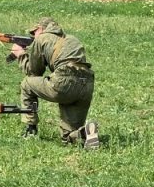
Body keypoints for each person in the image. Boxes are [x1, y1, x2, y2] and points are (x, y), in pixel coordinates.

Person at [10, 17, 99, 149]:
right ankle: (85, 133)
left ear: (40, 29)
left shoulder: (41, 38)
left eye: (33, 33)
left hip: (64, 82)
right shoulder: (72, 39)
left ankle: (30, 130)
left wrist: (20, 54)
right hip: (86, 85)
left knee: (27, 84)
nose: (33, 37)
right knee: (67, 138)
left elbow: (34, 72)